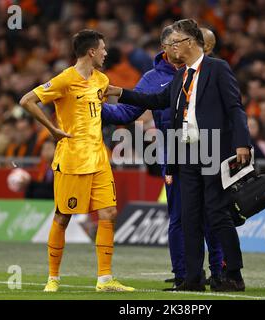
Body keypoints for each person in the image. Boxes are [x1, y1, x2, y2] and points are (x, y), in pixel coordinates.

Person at [106, 19, 251, 292]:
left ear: (189, 42)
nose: (170, 48)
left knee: (218, 214)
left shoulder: (217, 68)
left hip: (211, 149)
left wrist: (242, 143)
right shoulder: (180, 76)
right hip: (184, 152)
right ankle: (192, 278)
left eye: (174, 42)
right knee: (189, 217)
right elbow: (156, 101)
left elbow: (235, 107)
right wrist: (120, 92)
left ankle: (233, 273)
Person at [19, 29, 134, 293]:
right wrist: (52, 128)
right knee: (63, 217)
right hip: (72, 159)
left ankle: (105, 280)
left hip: (99, 158)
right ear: (91, 51)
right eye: (103, 49)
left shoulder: (102, 80)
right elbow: (27, 100)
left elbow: (107, 103)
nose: (106, 53)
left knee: (109, 213)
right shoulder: (64, 80)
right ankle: (53, 278)